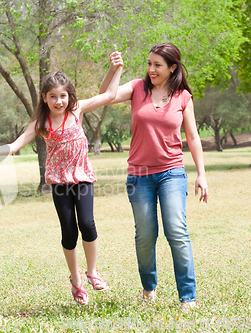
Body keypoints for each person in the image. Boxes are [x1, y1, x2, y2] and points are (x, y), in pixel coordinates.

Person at [0, 52, 123, 306]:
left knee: (88, 225)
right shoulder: (41, 122)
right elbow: (14, 147)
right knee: (69, 233)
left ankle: (92, 272)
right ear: (44, 98)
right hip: (59, 183)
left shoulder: (76, 111)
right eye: (53, 96)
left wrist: (116, 69)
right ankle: (76, 280)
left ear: (70, 97)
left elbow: (110, 95)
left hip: (82, 178)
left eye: (63, 95)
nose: (59, 101)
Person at [99, 43, 208, 311]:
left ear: (173, 68)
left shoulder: (183, 97)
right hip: (140, 175)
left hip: (172, 172)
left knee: (176, 231)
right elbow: (105, 95)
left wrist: (201, 174)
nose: (151, 69)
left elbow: (192, 137)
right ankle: (149, 289)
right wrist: (114, 70)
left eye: (157, 65)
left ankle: (188, 297)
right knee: (146, 235)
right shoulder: (137, 88)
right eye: (149, 63)